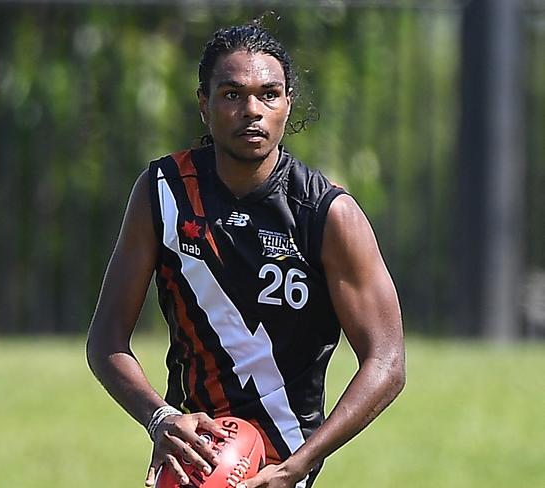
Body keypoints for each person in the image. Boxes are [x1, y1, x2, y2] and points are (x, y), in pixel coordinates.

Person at [86, 22, 405, 488]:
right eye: (232, 94)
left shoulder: (326, 214)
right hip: (191, 457)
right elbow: (106, 342)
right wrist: (161, 419)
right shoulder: (164, 193)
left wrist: (299, 465)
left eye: (268, 94)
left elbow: (386, 362)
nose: (252, 110)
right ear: (204, 104)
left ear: (287, 103)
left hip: (285, 465)